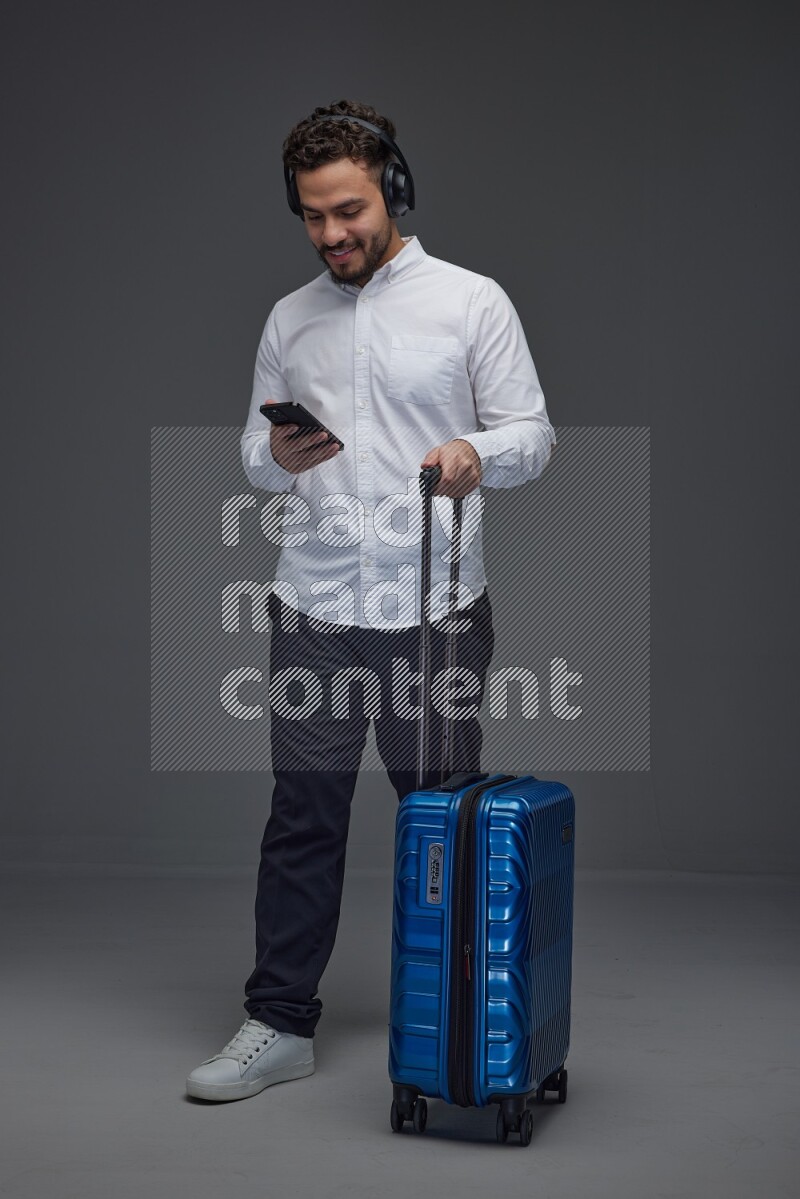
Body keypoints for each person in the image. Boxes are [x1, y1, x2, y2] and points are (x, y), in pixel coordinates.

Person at [186, 99, 556, 1102]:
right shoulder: (288, 318)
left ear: (390, 189)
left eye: (346, 209)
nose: (331, 234)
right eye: (311, 216)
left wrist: (475, 450)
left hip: (430, 605)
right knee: (301, 815)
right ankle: (279, 1022)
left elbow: (531, 430)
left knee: (440, 819)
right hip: (311, 607)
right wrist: (277, 454)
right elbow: (251, 461)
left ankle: (459, 1026)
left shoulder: (470, 302)